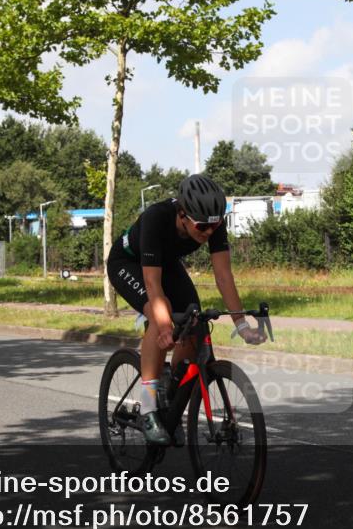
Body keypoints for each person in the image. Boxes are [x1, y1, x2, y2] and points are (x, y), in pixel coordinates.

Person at [106, 173, 266, 445]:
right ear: (182, 214)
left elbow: (223, 276)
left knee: (196, 320)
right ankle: (147, 407)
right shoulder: (156, 218)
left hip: (167, 264)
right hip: (128, 264)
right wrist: (165, 324)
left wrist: (241, 325)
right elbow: (152, 284)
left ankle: (171, 393)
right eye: (202, 227)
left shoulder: (213, 223)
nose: (208, 233)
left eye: (213, 228)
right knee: (161, 314)